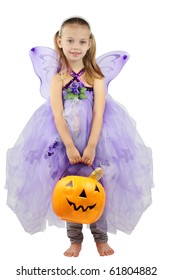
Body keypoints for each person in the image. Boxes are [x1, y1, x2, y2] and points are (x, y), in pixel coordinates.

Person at [5, 17, 154, 257]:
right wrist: (69, 146)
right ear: (59, 41)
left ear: (90, 43)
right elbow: (56, 113)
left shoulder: (96, 78)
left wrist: (93, 144)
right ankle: (75, 239)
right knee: (70, 188)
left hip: (99, 138)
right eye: (71, 40)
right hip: (65, 140)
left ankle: (100, 238)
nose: (76, 46)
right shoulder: (58, 79)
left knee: (98, 187)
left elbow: (99, 111)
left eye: (82, 41)